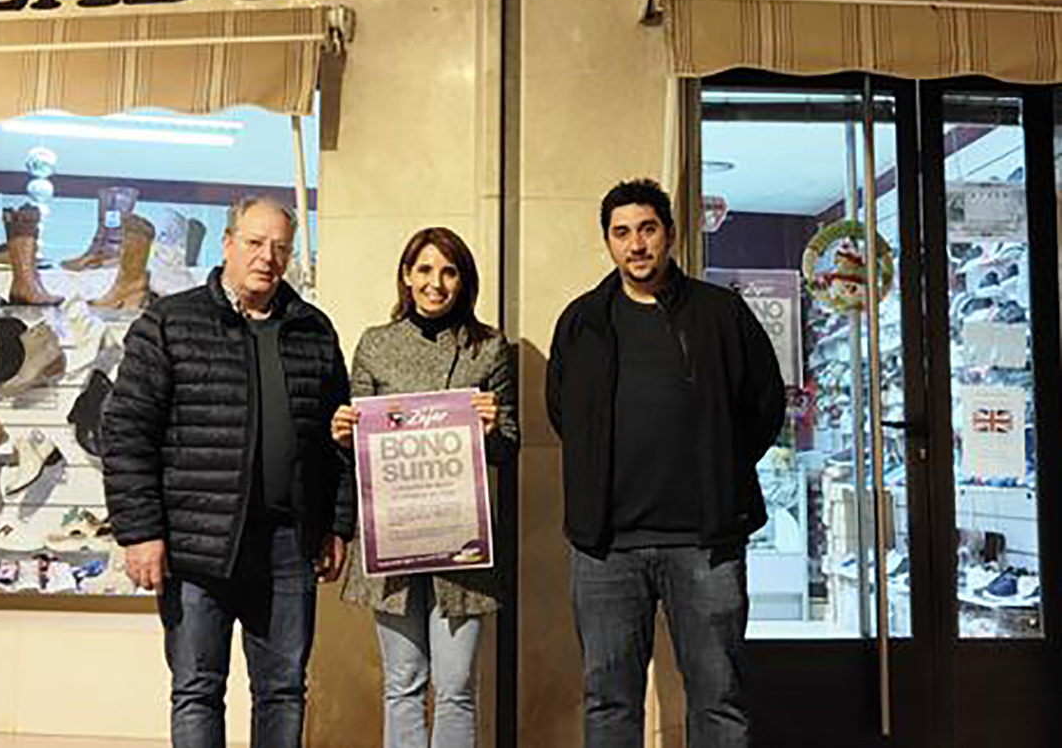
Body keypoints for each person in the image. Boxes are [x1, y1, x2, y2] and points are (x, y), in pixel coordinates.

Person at [100, 195, 353, 748]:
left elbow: (339, 439)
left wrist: (337, 523)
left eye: (280, 247)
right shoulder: (170, 322)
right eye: (256, 243)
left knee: (283, 691)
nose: (268, 257)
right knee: (197, 689)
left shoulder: (314, 330)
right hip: (197, 545)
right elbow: (126, 431)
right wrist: (140, 532)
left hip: (288, 545)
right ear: (228, 244)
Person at [545, 178, 785, 748]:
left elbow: (764, 404)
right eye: (622, 233)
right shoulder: (582, 321)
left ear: (670, 234)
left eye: (647, 229)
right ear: (607, 241)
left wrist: (722, 467)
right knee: (609, 703)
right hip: (606, 548)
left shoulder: (720, 313)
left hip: (705, 543)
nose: (636, 244)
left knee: (719, 699)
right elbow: (563, 413)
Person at [331, 227, 518, 748]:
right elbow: (358, 451)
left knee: (456, 687)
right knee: (403, 683)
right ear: (406, 276)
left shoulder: (489, 347)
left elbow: (509, 447)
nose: (436, 283)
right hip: (392, 535)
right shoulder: (375, 344)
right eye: (425, 269)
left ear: (464, 281)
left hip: (461, 540)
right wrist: (343, 435)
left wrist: (491, 430)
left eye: (449, 271)